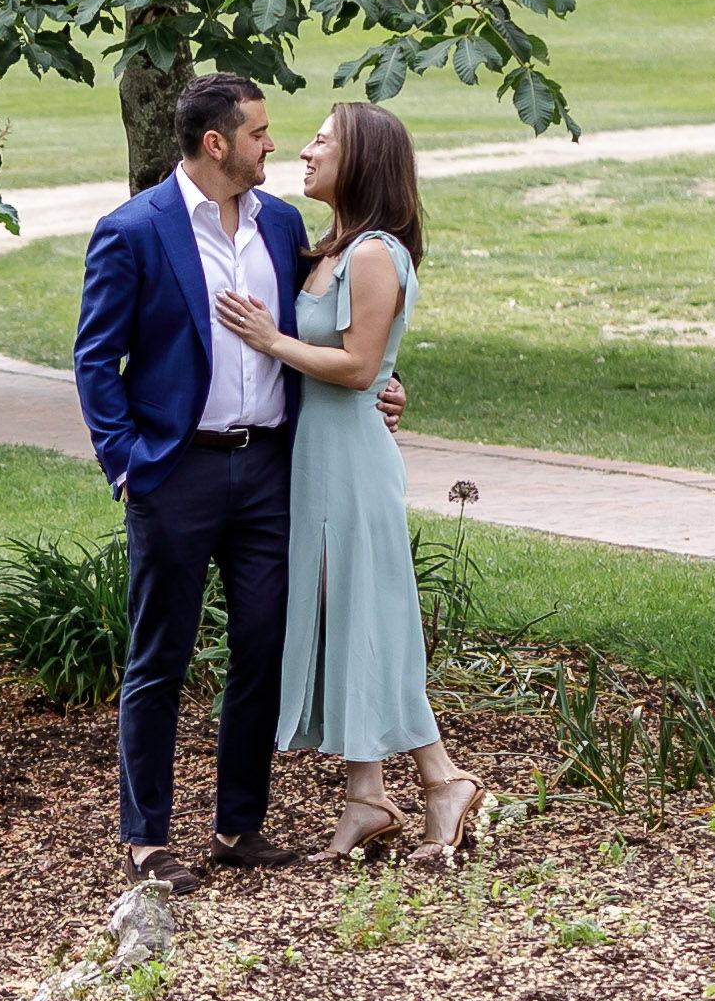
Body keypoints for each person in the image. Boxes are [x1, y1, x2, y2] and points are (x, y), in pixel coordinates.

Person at [61, 72, 312, 881]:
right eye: (259, 132)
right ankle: (147, 838)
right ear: (217, 143)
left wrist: (377, 384)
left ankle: (239, 829)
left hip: (269, 469)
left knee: (263, 647)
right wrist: (129, 464)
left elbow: (315, 331)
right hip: (177, 473)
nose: (272, 142)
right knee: (160, 656)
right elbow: (97, 358)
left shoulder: (283, 225)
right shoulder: (135, 230)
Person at [263, 100, 488, 867]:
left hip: (351, 463)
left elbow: (359, 366)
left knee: (370, 616)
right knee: (342, 617)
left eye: (321, 141)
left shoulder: (372, 254)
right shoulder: (331, 248)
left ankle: (442, 777)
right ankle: (366, 795)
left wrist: (272, 340)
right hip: (318, 456)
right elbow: (370, 363)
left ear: (359, 158)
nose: (305, 150)